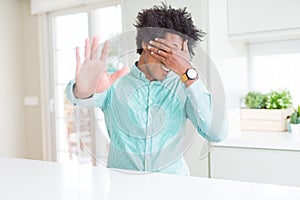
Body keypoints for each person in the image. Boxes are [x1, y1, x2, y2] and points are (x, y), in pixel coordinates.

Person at [66, 4, 226, 175]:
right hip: (124, 188)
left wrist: (189, 74)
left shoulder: (185, 86)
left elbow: (217, 133)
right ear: (146, 43)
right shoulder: (114, 81)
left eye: (180, 55)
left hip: (174, 188)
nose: (173, 60)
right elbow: (80, 95)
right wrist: (83, 89)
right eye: (168, 50)